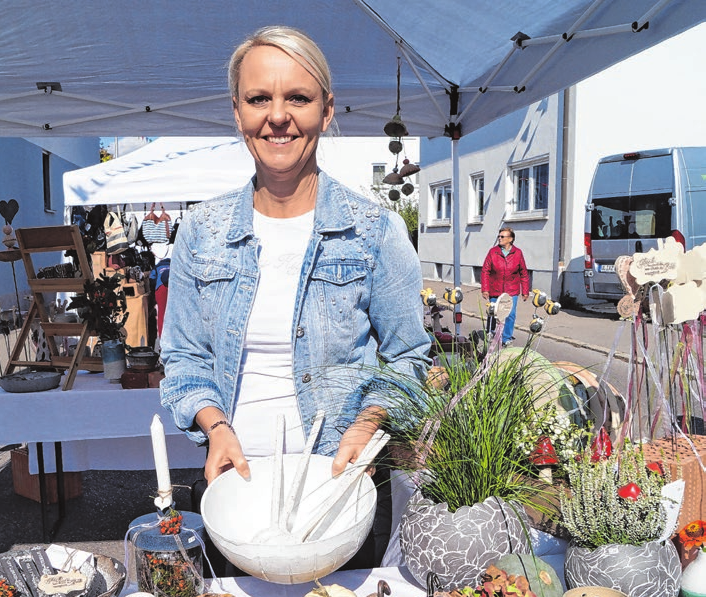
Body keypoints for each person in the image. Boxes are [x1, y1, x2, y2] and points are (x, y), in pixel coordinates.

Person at [159, 26, 430, 494]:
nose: (278, 117)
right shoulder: (202, 231)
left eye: (298, 99)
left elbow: (407, 359)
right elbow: (183, 357)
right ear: (237, 111)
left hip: (340, 484)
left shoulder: (375, 233)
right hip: (234, 482)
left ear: (326, 112)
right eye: (259, 98)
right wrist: (215, 428)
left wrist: (367, 426)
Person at [480, 227, 530, 346]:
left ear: (510, 239)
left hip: (511, 290)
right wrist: (485, 289)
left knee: (510, 314)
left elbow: (523, 272)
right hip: (495, 288)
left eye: (502, 236)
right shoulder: (493, 252)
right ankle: (491, 331)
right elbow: (485, 271)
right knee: (492, 312)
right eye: (499, 236)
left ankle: (506, 338)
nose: (500, 238)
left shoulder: (518, 253)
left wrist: (525, 291)